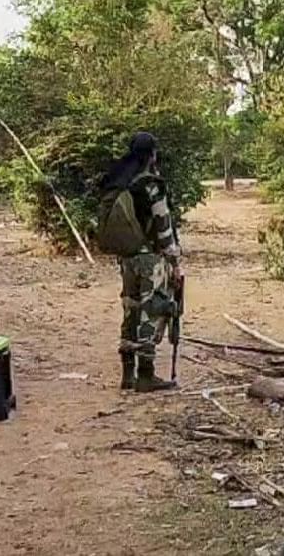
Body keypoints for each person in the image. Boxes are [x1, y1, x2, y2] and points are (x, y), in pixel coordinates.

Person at [100, 132, 183, 392]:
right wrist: (174, 258)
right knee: (151, 310)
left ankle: (128, 374)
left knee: (131, 310)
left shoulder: (120, 182)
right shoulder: (150, 184)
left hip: (127, 258)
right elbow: (163, 225)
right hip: (150, 258)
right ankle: (146, 375)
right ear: (152, 154)